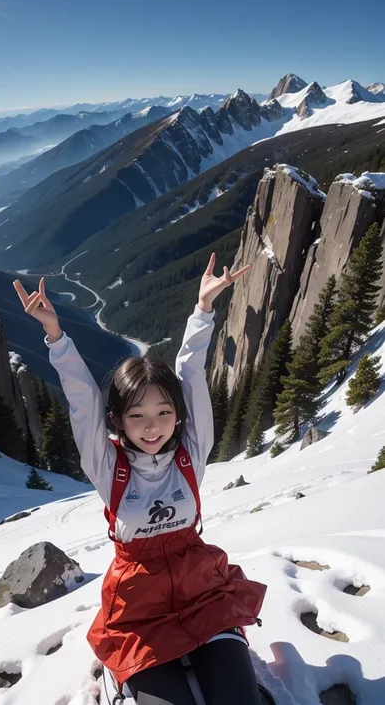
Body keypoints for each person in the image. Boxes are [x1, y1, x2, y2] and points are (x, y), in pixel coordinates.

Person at [14, 253, 267, 705]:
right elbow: (83, 403)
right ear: (118, 420)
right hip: (138, 610)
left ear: (178, 416)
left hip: (202, 593)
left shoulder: (190, 453)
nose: (153, 427)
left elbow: (191, 374)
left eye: (164, 413)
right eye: (138, 416)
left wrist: (203, 311)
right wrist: (55, 335)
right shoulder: (109, 467)